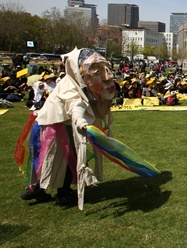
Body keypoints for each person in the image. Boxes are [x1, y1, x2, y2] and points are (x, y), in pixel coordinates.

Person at [19, 48, 116, 207]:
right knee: (61, 158)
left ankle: (40, 188)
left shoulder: (76, 83)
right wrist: (80, 120)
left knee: (55, 158)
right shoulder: (70, 86)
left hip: (56, 124)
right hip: (56, 127)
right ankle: (56, 192)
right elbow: (74, 105)